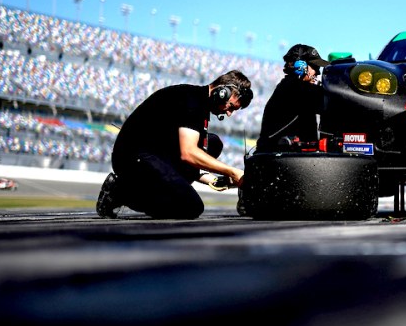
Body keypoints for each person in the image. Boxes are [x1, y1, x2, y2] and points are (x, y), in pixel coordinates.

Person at [95, 70, 253, 219]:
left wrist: (216, 180)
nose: (229, 113)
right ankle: (120, 192)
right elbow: (188, 153)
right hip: (133, 156)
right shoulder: (192, 103)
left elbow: (180, 154)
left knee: (213, 143)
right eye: (231, 106)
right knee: (190, 206)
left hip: (153, 153)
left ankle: (165, 190)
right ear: (222, 91)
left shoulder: (198, 102)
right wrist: (232, 171)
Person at [256, 43, 329, 151]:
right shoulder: (295, 88)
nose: (318, 72)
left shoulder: (288, 86)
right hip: (278, 159)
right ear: (301, 66)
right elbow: (332, 103)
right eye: (315, 67)